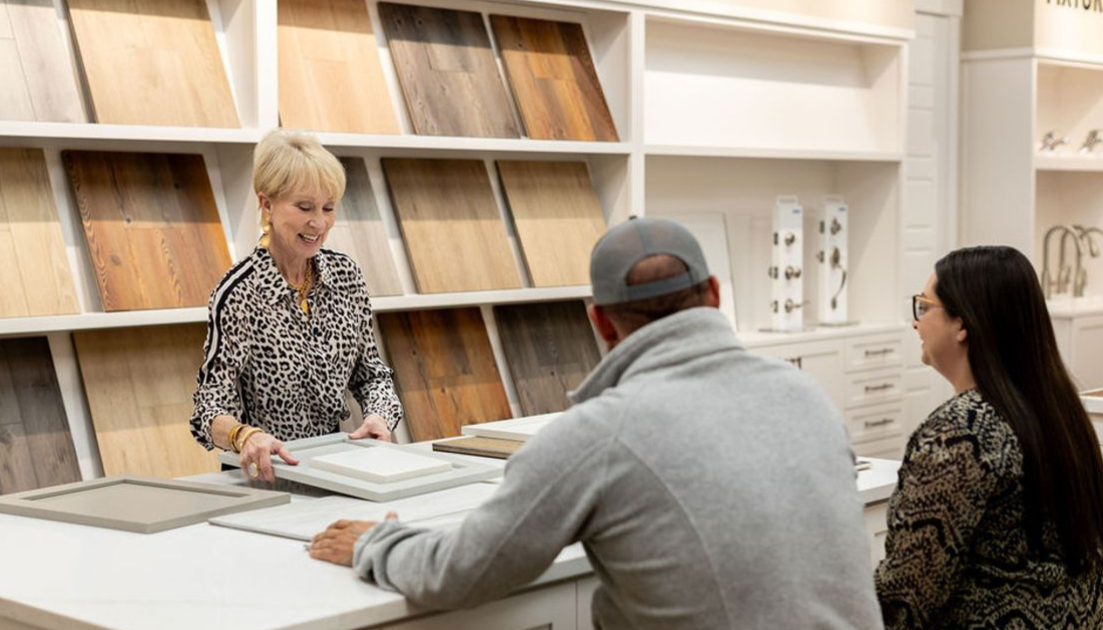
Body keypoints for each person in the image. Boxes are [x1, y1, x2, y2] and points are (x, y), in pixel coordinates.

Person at [309, 217, 884, 629]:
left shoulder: (597, 436)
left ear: (600, 323)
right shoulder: (805, 395)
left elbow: (464, 572)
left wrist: (376, 543)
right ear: (712, 294)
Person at [875, 246, 1103, 628]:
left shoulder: (959, 433)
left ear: (962, 324)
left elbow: (906, 599)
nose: (916, 323)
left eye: (924, 307)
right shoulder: (1061, 412)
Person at [189, 130, 403, 482]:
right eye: (304, 207)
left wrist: (380, 416)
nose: (318, 223)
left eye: (328, 208)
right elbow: (209, 408)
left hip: (341, 468)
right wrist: (246, 436)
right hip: (266, 479)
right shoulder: (239, 293)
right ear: (267, 205)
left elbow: (372, 375)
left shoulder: (347, 276)